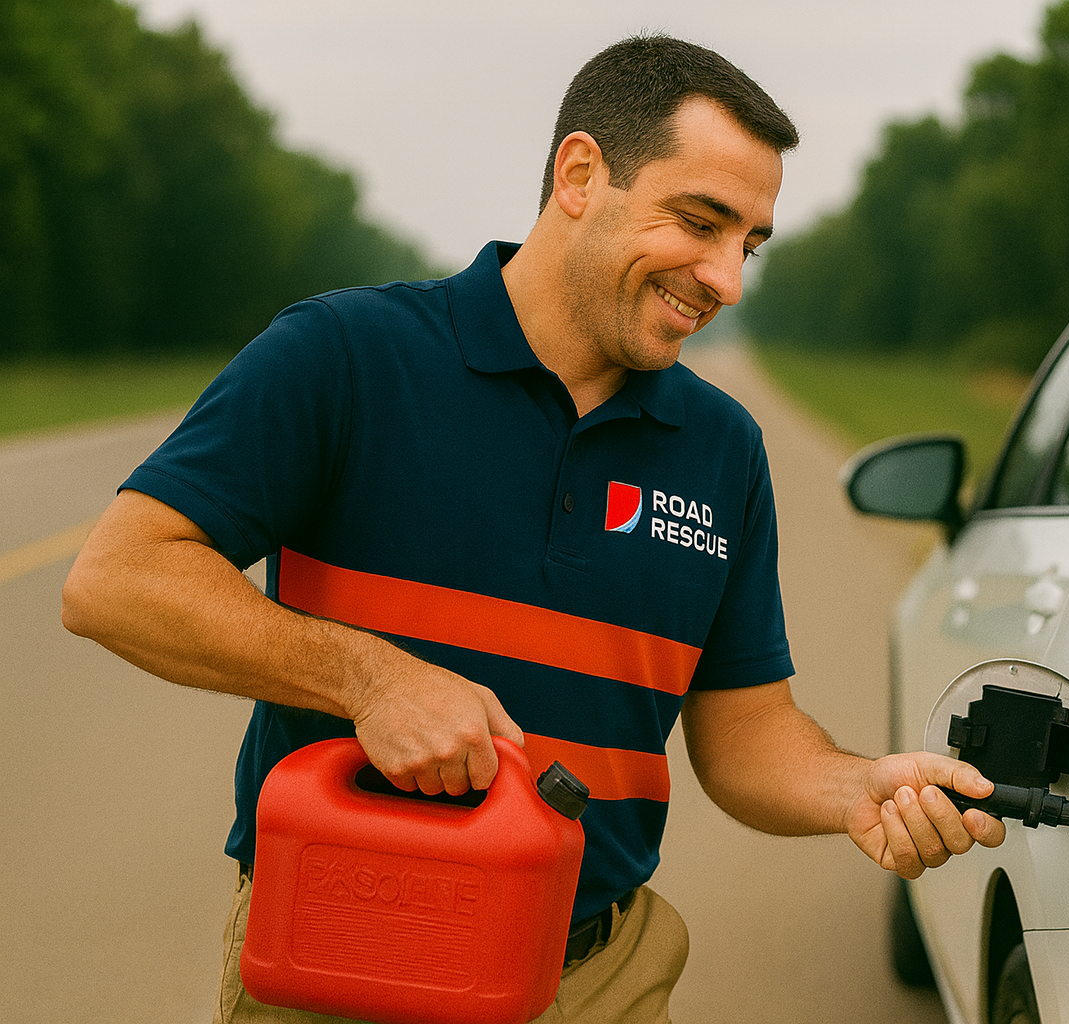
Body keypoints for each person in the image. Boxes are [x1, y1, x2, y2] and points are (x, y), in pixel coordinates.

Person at [61, 33, 1004, 1024]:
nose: (727, 279)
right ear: (581, 173)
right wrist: (369, 676)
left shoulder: (722, 449)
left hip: (596, 975)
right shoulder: (344, 356)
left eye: (749, 244)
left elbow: (745, 735)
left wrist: (856, 788)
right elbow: (116, 579)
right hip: (340, 952)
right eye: (701, 221)